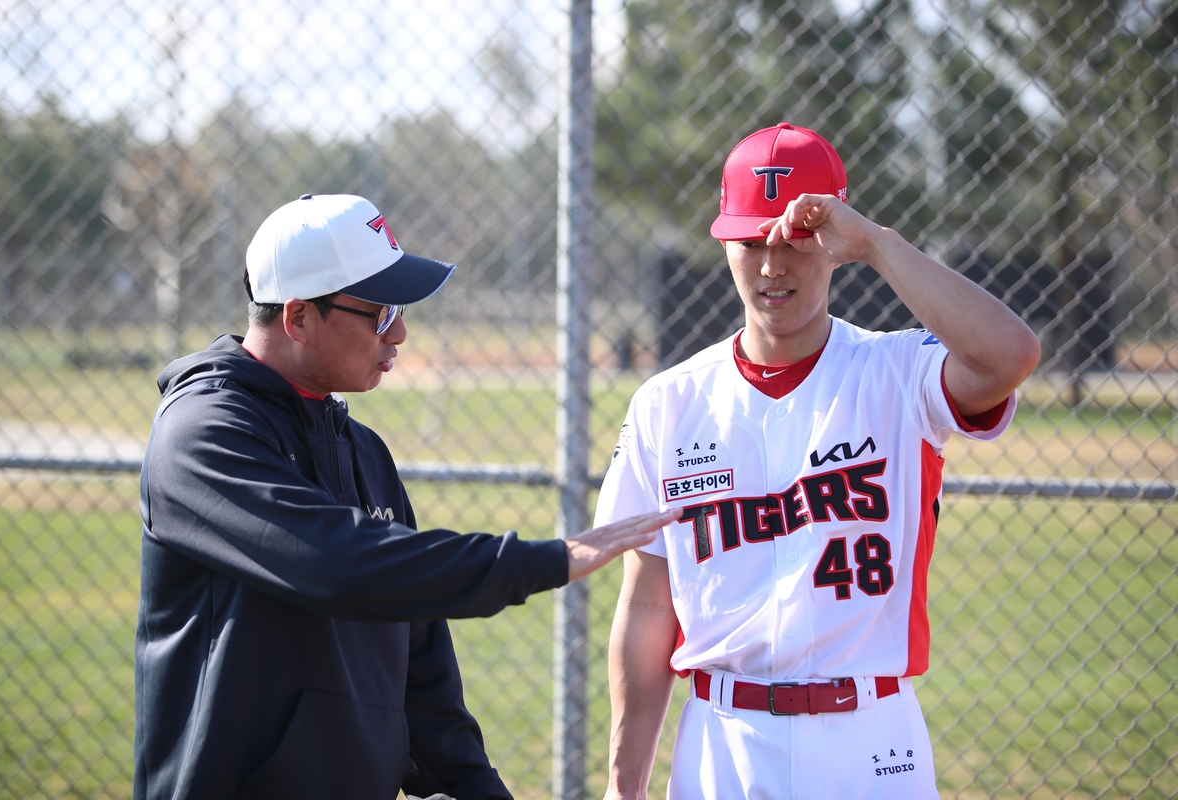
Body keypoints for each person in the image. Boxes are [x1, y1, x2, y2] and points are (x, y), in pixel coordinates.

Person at [134, 193, 677, 800]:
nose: (401, 332)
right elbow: (340, 563)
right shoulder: (202, 434)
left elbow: (422, 671)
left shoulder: (363, 451)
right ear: (298, 319)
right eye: (381, 310)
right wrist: (538, 559)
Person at [595, 124, 1041, 799]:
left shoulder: (898, 371)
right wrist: (623, 787)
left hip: (869, 734)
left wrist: (879, 245)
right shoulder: (669, 402)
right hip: (724, 737)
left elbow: (1010, 355)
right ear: (724, 245)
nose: (773, 266)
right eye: (751, 242)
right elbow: (648, 605)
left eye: (795, 242)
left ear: (834, 242)